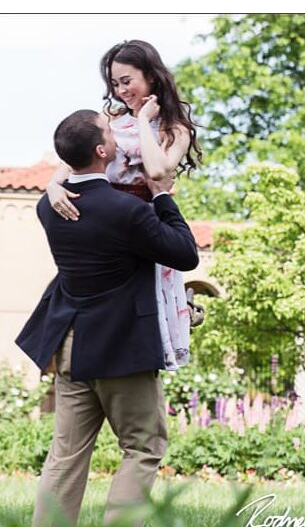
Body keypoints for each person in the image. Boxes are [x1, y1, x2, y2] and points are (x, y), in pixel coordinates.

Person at [15, 109, 198, 527]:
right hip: (120, 350)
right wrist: (162, 196)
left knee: (66, 455)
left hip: (70, 348)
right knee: (143, 446)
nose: (116, 133)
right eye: (108, 129)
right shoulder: (125, 211)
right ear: (103, 150)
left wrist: (52, 181)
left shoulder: (50, 205)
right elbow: (185, 254)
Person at [47, 39, 203, 370]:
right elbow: (69, 165)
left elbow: (159, 170)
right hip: (105, 224)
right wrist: (52, 187)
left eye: (127, 81)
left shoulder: (174, 128)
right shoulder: (109, 120)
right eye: (115, 84)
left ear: (151, 75)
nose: (121, 91)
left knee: (145, 307)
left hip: (143, 225)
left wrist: (144, 121)